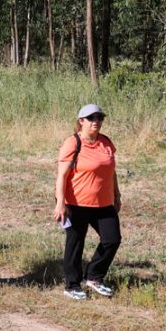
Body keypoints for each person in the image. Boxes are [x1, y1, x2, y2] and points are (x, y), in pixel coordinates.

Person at [54, 104, 121, 300]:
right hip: (76, 202)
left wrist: (117, 195)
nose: (96, 121)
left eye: (100, 117)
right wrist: (60, 203)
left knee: (112, 240)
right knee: (75, 243)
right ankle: (72, 285)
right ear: (81, 121)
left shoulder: (106, 142)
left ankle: (93, 277)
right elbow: (62, 176)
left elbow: (111, 171)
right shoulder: (73, 143)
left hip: (104, 203)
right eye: (91, 118)